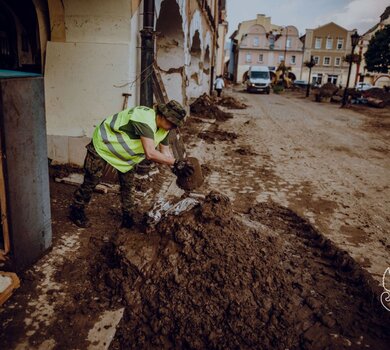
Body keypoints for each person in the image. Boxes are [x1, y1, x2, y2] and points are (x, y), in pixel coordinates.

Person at [69, 100, 194, 229]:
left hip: (125, 157)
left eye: (174, 125)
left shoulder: (165, 129)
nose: (172, 127)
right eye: (171, 123)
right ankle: (77, 210)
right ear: (162, 115)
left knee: (128, 185)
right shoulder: (145, 119)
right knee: (92, 180)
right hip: (105, 145)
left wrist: (176, 168)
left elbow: (166, 153)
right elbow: (150, 153)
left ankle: (128, 217)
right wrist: (175, 162)